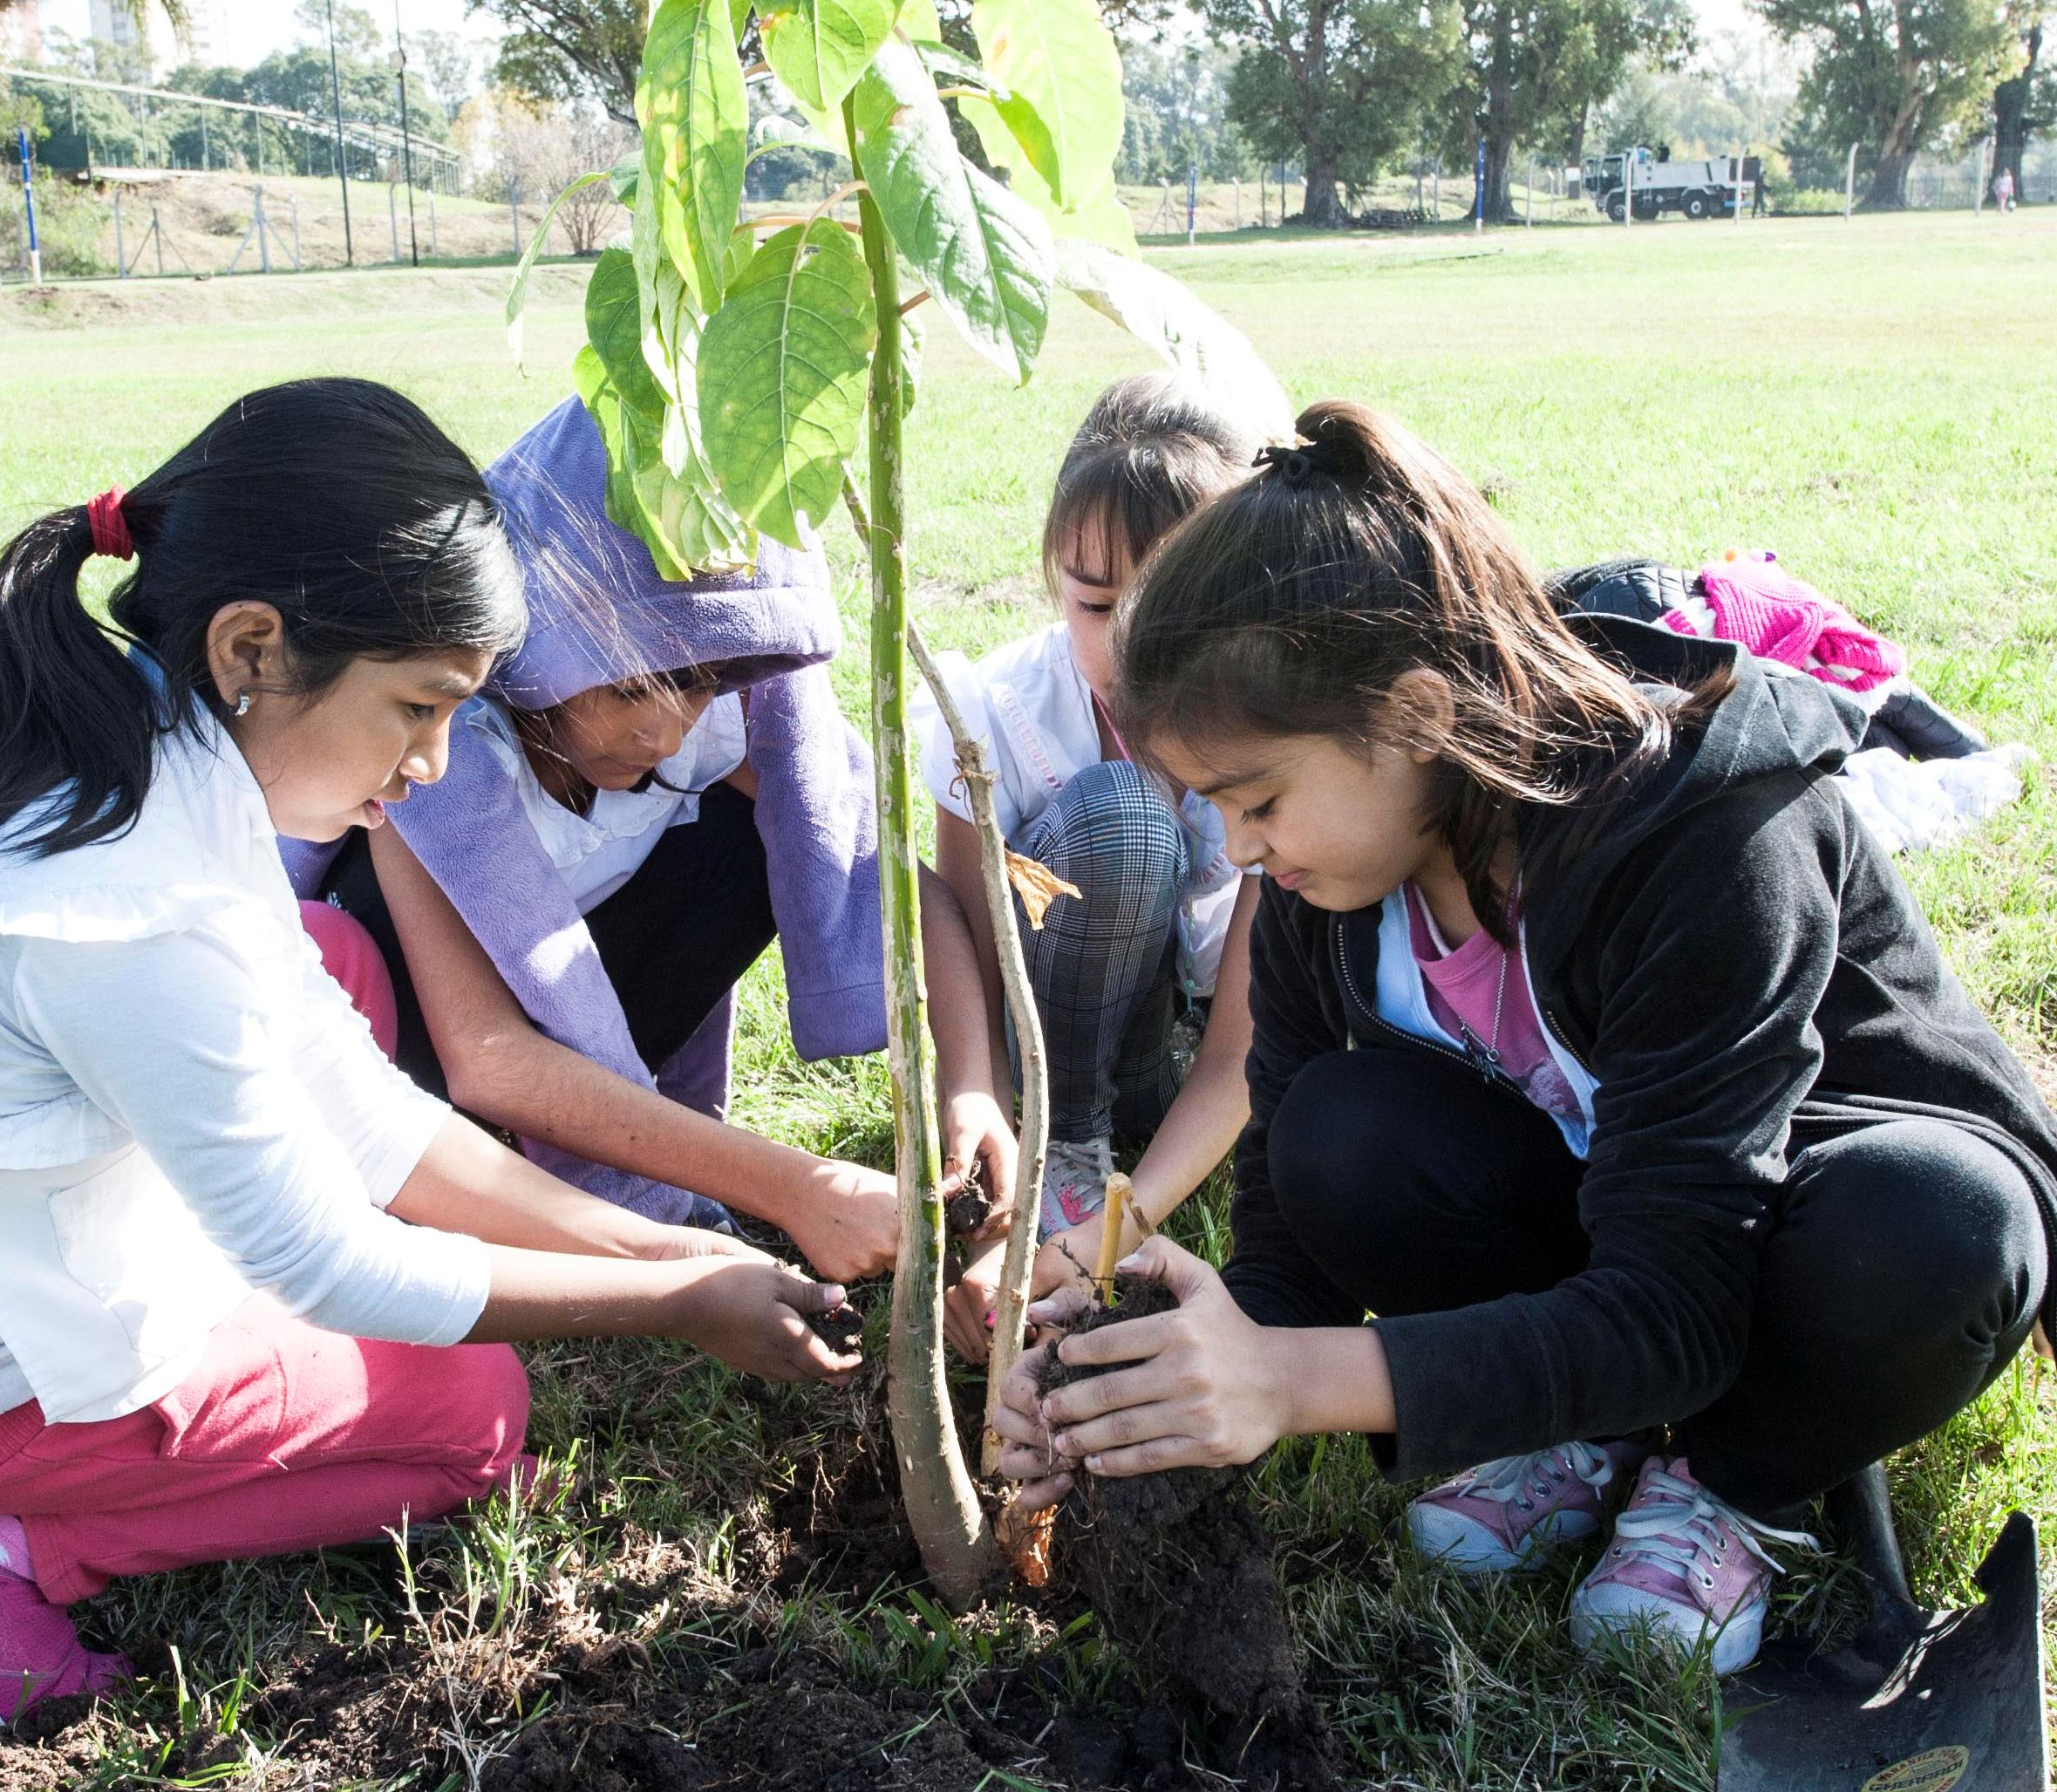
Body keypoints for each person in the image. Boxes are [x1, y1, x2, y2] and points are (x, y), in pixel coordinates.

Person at [0, 378, 855, 1729]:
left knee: (333, 963)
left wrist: (678, 1251)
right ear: (253, 646)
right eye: (417, 707)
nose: (433, 762)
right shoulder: (122, 908)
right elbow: (330, 1264)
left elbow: (362, 1108)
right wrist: (676, 1302)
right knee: (474, 1416)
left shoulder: (129, 736)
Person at [993, 401, 2055, 1675]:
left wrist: (1289, 1381)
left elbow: (1682, 1299)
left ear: (1416, 714)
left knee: (1938, 1228)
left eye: (1258, 800)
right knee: (1336, 1132)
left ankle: (1733, 1479)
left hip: (1809, 1226)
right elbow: (1287, 1257)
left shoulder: (1701, 832)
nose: (1240, 851)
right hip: (1618, 1222)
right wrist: (1137, 1377)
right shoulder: (1326, 882)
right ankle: (1587, 1424)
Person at [303, 393, 1011, 1292]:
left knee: (784, 827)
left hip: (581, 1018)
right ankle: (539, 1182)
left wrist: (973, 1091)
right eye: (630, 688)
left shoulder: (710, 725)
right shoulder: (433, 753)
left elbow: (893, 882)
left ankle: (640, 1126)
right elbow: (488, 1059)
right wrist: (795, 1187)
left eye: (701, 681)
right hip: (416, 1069)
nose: (667, 731)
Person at [916, 376, 1277, 1290]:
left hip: (1180, 1056)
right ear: (1054, 583)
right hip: (1042, 1055)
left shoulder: (1281, 738)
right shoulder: (993, 717)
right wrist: (985, 1143)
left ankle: (1124, 1140)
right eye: (1097, 605)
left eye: (1179, 614)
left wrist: (1113, 1235)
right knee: (1125, 819)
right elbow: (973, 958)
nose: (1133, 651)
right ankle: (1064, 1142)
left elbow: (1238, 1048)